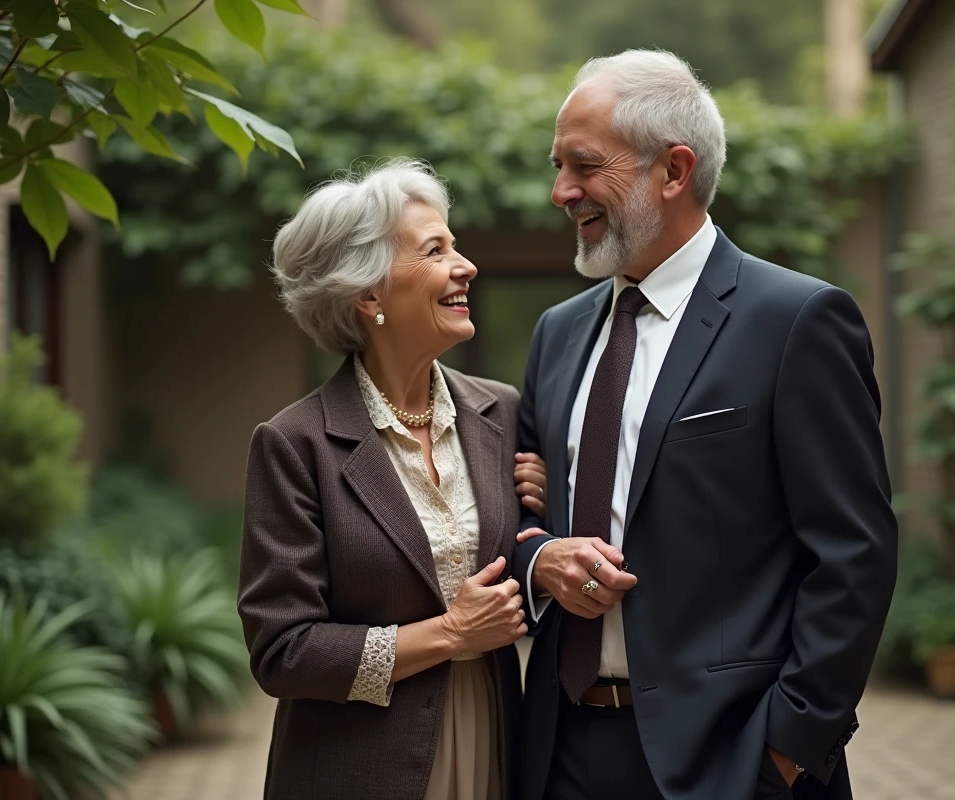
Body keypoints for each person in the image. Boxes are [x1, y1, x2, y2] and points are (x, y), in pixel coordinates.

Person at [512, 50, 898, 800]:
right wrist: (540, 557)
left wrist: (786, 749)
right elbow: (519, 518)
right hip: (557, 749)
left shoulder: (797, 322)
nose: (560, 192)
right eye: (557, 166)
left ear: (674, 170)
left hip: (731, 760)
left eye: (583, 166)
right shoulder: (555, 334)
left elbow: (854, 554)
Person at [238, 159, 550, 800]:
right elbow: (283, 651)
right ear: (369, 295)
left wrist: (543, 528)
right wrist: (451, 635)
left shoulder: (501, 414)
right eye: (436, 250)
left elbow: (514, 572)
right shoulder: (294, 444)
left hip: (495, 744)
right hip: (360, 768)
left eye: (455, 245)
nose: (465, 266)